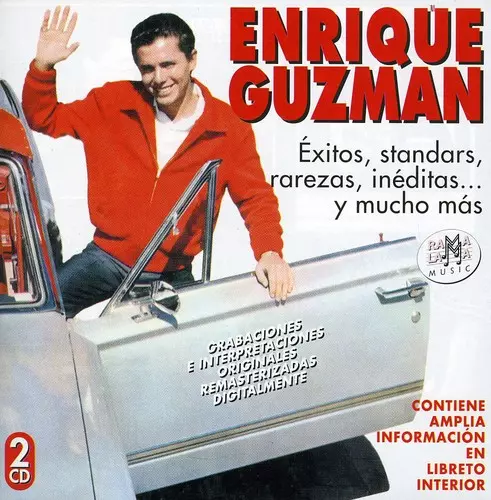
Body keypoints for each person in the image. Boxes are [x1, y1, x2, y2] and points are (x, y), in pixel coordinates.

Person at [22, 6, 294, 318]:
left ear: (192, 60)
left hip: (172, 274)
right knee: (35, 315)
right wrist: (43, 66)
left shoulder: (228, 128)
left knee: (197, 341)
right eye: (148, 68)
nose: (159, 78)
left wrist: (269, 252)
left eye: (168, 64)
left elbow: (255, 198)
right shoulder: (112, 102)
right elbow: (44, 117)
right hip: (106, 259)